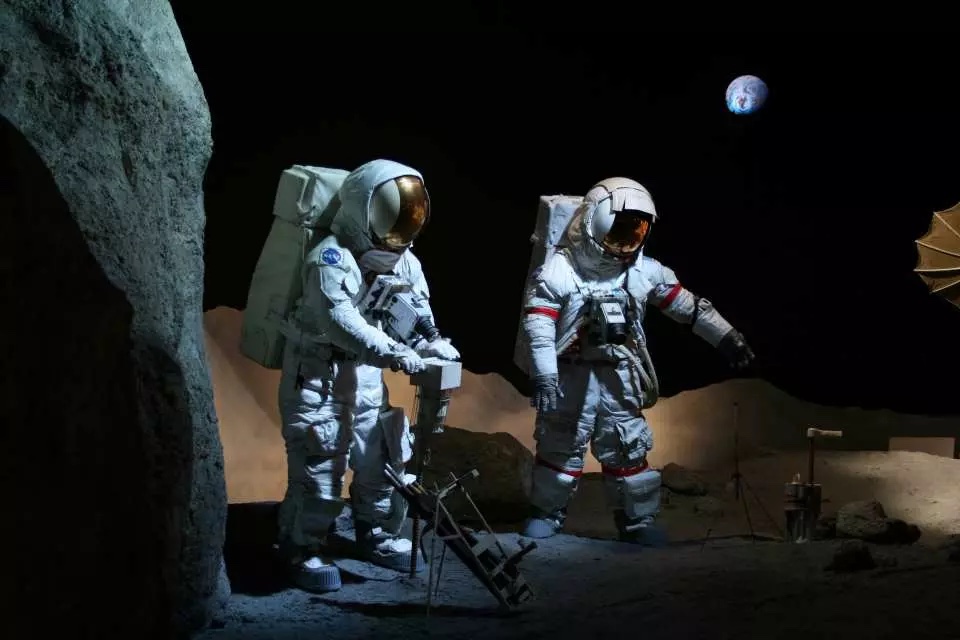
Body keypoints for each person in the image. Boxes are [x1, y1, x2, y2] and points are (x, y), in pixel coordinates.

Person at [520, 177, 755, 546]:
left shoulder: (642, 271)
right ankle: (546, 514)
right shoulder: (560, 270)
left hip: (620, 374)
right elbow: (538, 325)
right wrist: (546, 375)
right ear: (595, 221)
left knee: (627, 447)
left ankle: (636, 521)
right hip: (571, 375)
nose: (627, 239)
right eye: (620, 228)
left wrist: (726, 336)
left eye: (636, 230)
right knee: (561, 446)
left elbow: (688, 307)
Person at [276, 159, 460, 592]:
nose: (401, 228)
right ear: (364, 209)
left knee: (381, 456)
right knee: (321, 464)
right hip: (319, 377)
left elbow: (415, 307)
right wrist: (394, 352)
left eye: (409, 217)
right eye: (393, 215)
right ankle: (302, 546)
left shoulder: (405, 262)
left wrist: (430, 341)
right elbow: (339, 321)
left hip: (366, 377)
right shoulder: (331, 257)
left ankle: (374, 532)